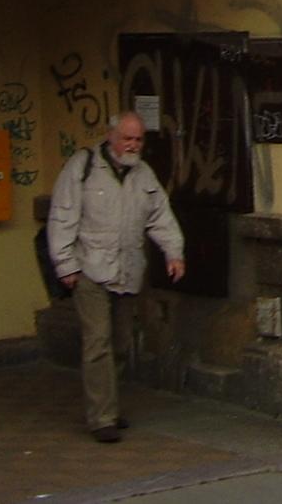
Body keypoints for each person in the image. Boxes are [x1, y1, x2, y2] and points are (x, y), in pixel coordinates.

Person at [46, 110, 184, 442]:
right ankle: (102, 417)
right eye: (127, 138)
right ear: (111, 137)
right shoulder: (82, 167)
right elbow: (62, 217)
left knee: (121, 343)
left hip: (127, 270)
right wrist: (65, 265)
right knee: (98, 341)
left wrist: (174, 252)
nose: (133, 145)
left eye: (138, 139)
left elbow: (160, 216)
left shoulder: (143, 174)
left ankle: (108, 403)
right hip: (89, 268)